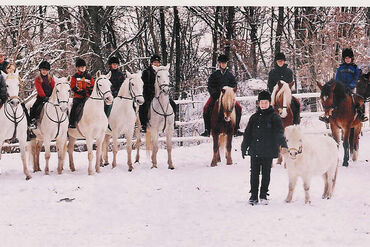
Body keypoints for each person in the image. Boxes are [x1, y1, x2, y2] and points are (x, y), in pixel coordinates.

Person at [241, 90, 287, 205]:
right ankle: (253, 195)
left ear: (269, 103)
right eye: (261, 102)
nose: (263, 105)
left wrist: (283, 144)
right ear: (258, 103)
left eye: (266, 103)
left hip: (268, 150)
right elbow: (247, 133)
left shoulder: (274, 117)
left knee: (266, 173)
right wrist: (244, 146)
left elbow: (279, 132)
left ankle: (263, 194)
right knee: (254, 173)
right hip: (255, 150)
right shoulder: (254, 118)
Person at [319, 48, 367, 123]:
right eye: (346, 58)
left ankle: (361, 115)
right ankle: (329, 116)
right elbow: (337, 79)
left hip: (352, 88)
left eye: (349, 58)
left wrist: (351, 85)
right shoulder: (340, 68)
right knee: (333, 99)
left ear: (352, 58)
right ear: (344, 59)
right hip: (341, 88)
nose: (347, 60)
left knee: (358, 100)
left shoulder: (355, 68)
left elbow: (355, 78)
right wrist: (341, 86)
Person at [200, 54, 243, 137]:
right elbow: (210, 86)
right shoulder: (214, 75)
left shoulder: (230, 75)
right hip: (216, 96)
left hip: (228, 97)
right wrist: (215, 94)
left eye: (225, 63)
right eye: (222, 63)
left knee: (239, 108)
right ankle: (207, 129)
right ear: (219, 64)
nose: (223, 64)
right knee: (206, 108)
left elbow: (234, 85)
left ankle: (236, 128)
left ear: (226, 64)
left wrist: (229, 92)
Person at [138, 54, 177, 132]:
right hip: (149, 93)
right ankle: (143, 124)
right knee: (144, 106)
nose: (156, 64)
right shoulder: (146, 72)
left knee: (173, 104)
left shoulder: (161, 72)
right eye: (154, 62)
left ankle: (173, 122)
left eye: (157, 62)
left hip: (161, 94)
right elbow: (145, 84)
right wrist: (152, 91)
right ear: (151, 63)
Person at [268, 52, 300, 124]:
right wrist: (274, 92)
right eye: (278, 61)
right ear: (276, 62)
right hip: (275, 93)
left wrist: (286, 91)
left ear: (284, 61)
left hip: (286, 93)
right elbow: (270, 85)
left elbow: (290, 83)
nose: (280, 62)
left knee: (296, 103)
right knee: (266, 105)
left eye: (281, 61)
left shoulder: (289, 71)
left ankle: (296, 120)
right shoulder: (272, 72)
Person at [69, 58, 95, 128]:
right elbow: (73, 87)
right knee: (74, 106)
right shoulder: (75, 77)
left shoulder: (89, 77)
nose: (83, 68)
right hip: (78, 97)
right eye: (81, 67)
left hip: (88, 97)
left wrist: (90, 91)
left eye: (84, 66)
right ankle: (71, 122)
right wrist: (80, 92)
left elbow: (93, 85)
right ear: (78, 68)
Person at [29, 61, 55, 129]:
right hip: (41, 97)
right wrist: (44, 96)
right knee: (34, 107)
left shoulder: (50, 79)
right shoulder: (38, 79)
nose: (44, 71)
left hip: (50, 97)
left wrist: (52, 96)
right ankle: (32, 121)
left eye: (46, 70)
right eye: (43, 70)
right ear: (40, 70)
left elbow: (54, 87)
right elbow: (39, 89)